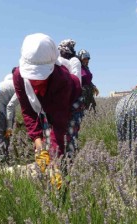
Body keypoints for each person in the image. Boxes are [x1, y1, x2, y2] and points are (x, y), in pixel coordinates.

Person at [13, 33, 82, 180]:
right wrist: (38, 143)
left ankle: (67, 179)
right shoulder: (19, 76)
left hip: (71, 102)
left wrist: (55, 163)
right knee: (44, 144)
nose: (36, 80)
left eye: (40, 75)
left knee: (66, 142)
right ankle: (50, 179)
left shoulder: (61, 78)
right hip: (44, 104)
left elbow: (58, 123)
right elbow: (28, 111)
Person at [0, 68, 19, 163]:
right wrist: (9, 126)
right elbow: (10, 107)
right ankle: (2, 162)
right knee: (2, 132)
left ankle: (3, 158)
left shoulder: (6, 84)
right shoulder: (19, 86)